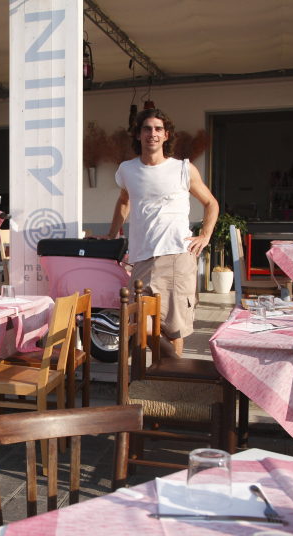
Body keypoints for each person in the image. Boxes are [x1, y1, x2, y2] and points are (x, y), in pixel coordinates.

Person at [107, 108, 219, 359]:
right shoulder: (127, 169)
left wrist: (205, 236)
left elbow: (211, 203)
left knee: (172, 329)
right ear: (138, 134)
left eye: (158, 129)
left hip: (177, 255)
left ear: (166, 135)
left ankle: (168, 385)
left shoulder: (183, 169)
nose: (152, 134)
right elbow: (124, 202)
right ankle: (161, 375)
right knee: (137, 324)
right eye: (147, 128)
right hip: (141, 257)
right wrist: (111, 234)